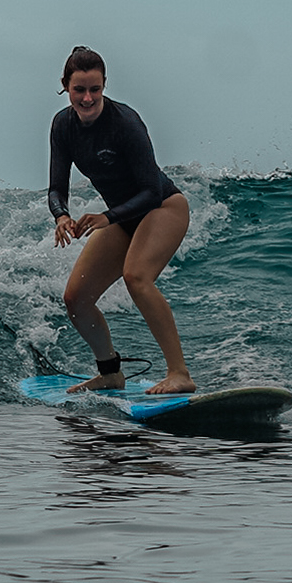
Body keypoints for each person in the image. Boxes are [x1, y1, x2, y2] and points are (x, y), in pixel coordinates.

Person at [47, 46, 197, 397]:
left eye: (95, 89)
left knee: (137, 277)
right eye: (79, 89)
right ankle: (110, 372)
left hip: (163, 208)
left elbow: (149, 191)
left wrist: (107, 217)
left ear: (104, 86)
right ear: (65, 86)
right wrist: (62, 215)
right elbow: (56, 187)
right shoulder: (62, 126)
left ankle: (180, 373)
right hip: (124, 218)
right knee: (76, 298)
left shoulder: (125, 123)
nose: (87, 98)